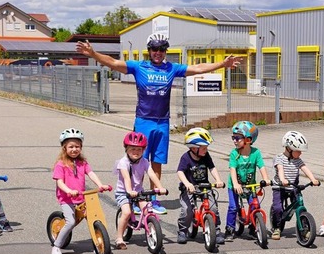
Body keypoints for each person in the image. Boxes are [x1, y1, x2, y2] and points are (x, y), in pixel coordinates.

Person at [76, 34, 243, 214]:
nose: (158, 52)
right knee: (137, 161)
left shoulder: (171, 68)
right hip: (143, 121)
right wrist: (93, 54)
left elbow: (198, 68)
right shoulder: (139, 67)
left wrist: (222, 64)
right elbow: (113, 63)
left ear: (165, 51)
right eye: (154, 49)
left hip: (162, 123)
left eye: (162, 49)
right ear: (149, 51)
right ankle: (134, 198)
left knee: (157, 162)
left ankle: (153, 200)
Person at [51, 128, 111, 254]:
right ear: (64, 148)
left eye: (77, 146)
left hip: (82, 198)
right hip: (67, 199)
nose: (74, 149)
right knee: (71, 222)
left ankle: (98, 244)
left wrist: (100, 185)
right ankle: (56, 246)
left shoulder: (82, 163)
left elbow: (91, 173)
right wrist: (68, 191)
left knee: (94, 218)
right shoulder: (60, 164)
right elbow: (59, 182)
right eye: (71, 146)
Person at [114, 131, 166, 250]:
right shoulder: (123, 162)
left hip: (139, 192)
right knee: (126, 213)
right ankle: (119, 238)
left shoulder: (144, 161)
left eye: (139, 150)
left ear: (143, 150)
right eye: (133, 149)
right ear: (126, 149)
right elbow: (127, 178)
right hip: (124, 192)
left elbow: (152, 175)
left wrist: (159, 187)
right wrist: (129, 191)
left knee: (148, 210)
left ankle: (151, 230)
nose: (136, 152)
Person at [176, 127, 225, 244]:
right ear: (194, 148)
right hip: (190, 188)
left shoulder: (206, 156)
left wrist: (218, 179)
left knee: (213, 207)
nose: (206, 150)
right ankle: (183, 230)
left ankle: (216, 230)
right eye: (203, 148)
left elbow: (212, 168)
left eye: (206, 147)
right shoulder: (186, 157)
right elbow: (180, 172)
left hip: (204, 187)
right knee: (187, 210)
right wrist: (187, 184)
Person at [225, 121, 270, 242]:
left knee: (255, 205)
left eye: (238, 138)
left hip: (250, 186)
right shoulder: (234, 153)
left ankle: (252, 228)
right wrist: (235, 184)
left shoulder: (256, 153)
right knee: (233, 207)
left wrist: (266, 178)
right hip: (234, 185)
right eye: (233, 138)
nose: (234, 140)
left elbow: (261, 166)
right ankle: (229, 229)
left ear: (248, 140)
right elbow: (232, 169)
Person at [270, 131, 319, 240]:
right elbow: (280, 169)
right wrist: (282, 179)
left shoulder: (298, 160)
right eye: (298, 151)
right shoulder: (279, 158)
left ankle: (304, 227)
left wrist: (313, 179)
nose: (300, 153)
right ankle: (277, 227)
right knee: (278, 208)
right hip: (280, 187)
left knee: (300, 205)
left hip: (293, 187)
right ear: (289, 148)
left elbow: (305, 168)